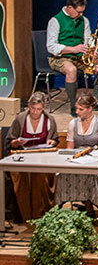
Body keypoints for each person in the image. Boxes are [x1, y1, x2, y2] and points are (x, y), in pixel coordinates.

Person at [46, 0, 98, 114]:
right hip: (60, 57)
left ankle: (94, 100)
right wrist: (73, 49)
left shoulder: (84, 20)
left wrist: (92, 50)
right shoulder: (55, 21)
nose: (81, 15)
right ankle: (74, 106)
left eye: (82, 12)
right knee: (71, 70)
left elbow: (88, 39)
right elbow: (51, 46)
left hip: (80, 57)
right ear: (70, 8)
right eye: (79, 12)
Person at [5, 91, 59, 220]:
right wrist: (17, 142)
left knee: (39, 177)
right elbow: (9, 142)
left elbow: (55, 140)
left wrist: (52, 142)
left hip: (43, 157)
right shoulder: (20, 119)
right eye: (33, 108)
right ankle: (24, 213)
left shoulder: (49, 120)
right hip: (23, 155)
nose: (35, 112)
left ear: (43, 108)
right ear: (29, 106)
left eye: (39, 109)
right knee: (21, 178)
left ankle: (40, 214)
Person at [54, 93, 98, 216]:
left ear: (90, 109)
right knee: (62, 175)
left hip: (94, 160)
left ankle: (90, 209)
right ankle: (60, 208)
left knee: (88, 176)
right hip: (77, 159)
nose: (77, 112)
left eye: (81, 109)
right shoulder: (73, 123)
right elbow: (69, 148)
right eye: (77, 108)